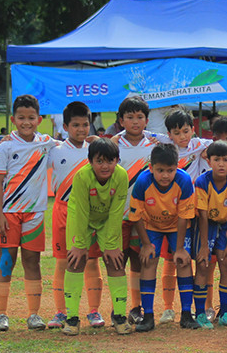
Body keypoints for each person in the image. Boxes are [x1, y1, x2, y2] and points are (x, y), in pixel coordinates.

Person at [0, 94, 59, 331]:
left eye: (31, 118)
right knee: (6, 261)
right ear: (13, 119)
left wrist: (91, 137)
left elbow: (70, 145)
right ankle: (1, 314)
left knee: (32, 261)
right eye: (21, 118)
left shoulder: (46, 142)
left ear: (39, 119)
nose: (26, 122)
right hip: (9, 214)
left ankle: (34, 315)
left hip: (35, 214)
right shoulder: (6, 146)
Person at [60, 137, 132, 336]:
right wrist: (79, 244)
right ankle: (72, 318)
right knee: (75, 261)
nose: (105, 166)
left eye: (109, 161)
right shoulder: (82, 176)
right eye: (99, 161)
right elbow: (81, 212)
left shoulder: (121, 176)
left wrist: (111, 245)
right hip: (80, 218)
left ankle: (119, 316)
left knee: (115, 261)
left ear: (117, 160)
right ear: (90, 161)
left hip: (107, 219)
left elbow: (117, 211)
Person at [149, 110, 212, 324]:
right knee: (170, 260)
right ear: (169, 134)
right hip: (171, 215)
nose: (183, 136)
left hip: (194, 212)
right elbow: (135, 134)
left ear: (193, 130)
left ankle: (197, 309)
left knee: (194, 260)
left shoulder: (200, 145)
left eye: (186, 131)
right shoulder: (164, 145)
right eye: (177, 133)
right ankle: (168, 308)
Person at [46, 101, 105, 330]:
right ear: (65, 126)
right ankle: (62, 312)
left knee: (91, 262)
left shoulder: (96, 151)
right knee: (63, 263)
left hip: (90, 214)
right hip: (63, 210)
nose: (81, 129)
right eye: (76, 125)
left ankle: (93, 311)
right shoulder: (55, 150)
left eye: (85, 125)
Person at [128, 143, 196, 333]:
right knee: (148, 261)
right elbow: (136, 216)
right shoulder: (143, 182)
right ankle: (148, 315)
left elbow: (184, 217)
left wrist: (180, 248)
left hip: (177, 226)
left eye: (170, 170)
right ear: (151, 168)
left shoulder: (184, 181)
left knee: (183, 262)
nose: (165, 175)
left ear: (178, 167)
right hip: (151, 226)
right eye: (160, 170)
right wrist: (147, 244)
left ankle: (186, 314)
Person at [111, 96, 158, 325]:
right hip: (118, 215)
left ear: (147, 120)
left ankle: (136, 307)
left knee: (139, 261)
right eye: (130, 117)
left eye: (140, 117)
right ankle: (118, 307)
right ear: (121, 120)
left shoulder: (155, 144)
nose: (135, 122)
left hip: (144, 217)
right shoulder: (113, 144)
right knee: (118, 261)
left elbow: (186, 139)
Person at [193, 141, 227, 328]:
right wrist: (204, 246)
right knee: (202, 265)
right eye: (216, 159)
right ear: (209, 161)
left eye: (225, 159)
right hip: (205, 226)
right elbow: (203, 216)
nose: (221, 164)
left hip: (224, 227)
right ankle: (199, 313)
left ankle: (225, 313)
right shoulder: (202, 182)